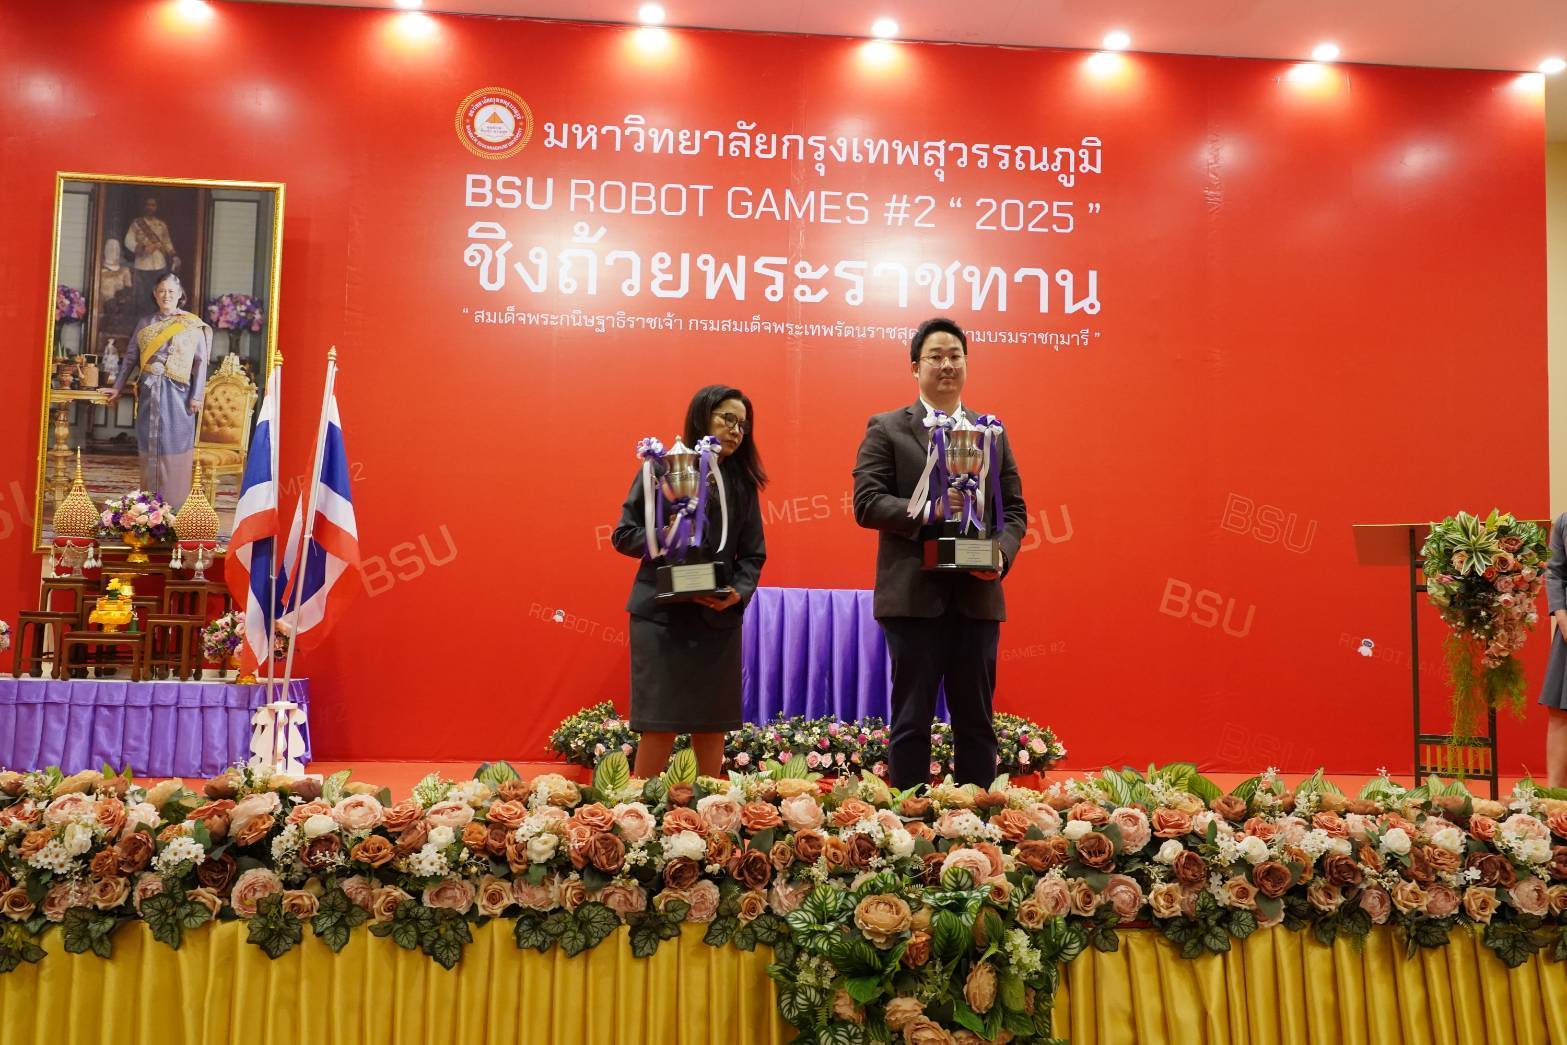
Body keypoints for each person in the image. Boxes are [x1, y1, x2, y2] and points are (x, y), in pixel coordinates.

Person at [852, 317, 1027, 789]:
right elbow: (867, 503)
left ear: (966, 364)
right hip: (913, 598)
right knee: (911, 721)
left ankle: (978, 821)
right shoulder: (888, 428)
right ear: (915, 366)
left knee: (978, 722)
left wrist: (1000, 557)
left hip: (976, 597)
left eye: (955, 356)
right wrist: (929, 509)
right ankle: (908, 821)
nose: (947, 365)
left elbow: (1014, 511)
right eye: (936, 356)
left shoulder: (990, 432)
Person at [612, 385, 768, 779]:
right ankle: (639, 812)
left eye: (743, 425)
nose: (736, 430)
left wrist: (738, 593)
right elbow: (623, 535)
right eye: (727, 419)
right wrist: (663, 536)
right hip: (660, 618)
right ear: (702, 416)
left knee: (712, 725)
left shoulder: (743, 484)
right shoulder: (661, 468)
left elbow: (752, 555)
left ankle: (711, 811)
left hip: (716, 618)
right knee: (658, 725)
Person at [104, 273, 212, 510]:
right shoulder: (145, 323)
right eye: (162, 291)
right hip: (149, 392)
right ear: (155, 294)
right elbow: (131, 357)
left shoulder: (191, 323)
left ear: (180, 294)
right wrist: (117, 387)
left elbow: (200, 362)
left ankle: (175, 506)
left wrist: (196, 396)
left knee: (175, 445)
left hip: (179, 395)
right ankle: (149, 505)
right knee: (149, 446)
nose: (166, 296)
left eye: (171, 291)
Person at [1540, 513, 1567, 787]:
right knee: (1560, 709)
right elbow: (1555, 572)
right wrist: (1561, 617)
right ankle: (1556, 796)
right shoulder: (1564, 522)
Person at [124, 196, 180, 315]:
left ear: (156, 207)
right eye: (148, 205)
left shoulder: (161, 225)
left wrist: (174, 255)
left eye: (153, 205)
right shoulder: (137, 223)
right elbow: (128, 240)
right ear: (144, 206)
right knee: (142, 296)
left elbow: (167, 242)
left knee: (159, 293)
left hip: (159, 264)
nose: (150, 207)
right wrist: (142, 248)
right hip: (142, 264)